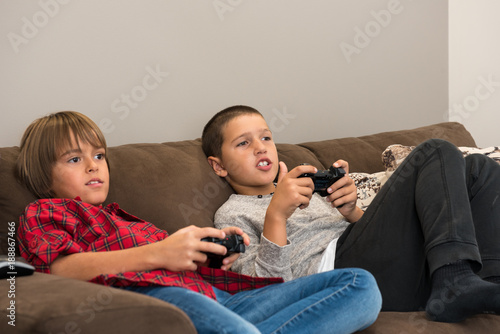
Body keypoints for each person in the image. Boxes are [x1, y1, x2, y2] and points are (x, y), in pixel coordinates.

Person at [16, 111, 382, 334]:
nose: (94, 165)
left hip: (225, 295)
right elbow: (61, 270)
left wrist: (212, 252)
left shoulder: (124, 218)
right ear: (43, 176)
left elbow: (176, 258)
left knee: (361, 285)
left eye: (98, 155)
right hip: (162, 297)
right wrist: (159, 252)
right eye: (74, 159)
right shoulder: (45, 212)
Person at [202, 105, 500, 323]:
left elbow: (365, 239)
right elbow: (266, 292)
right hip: (340, 276)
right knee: (434, 150)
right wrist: (276, 215)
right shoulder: (233, 213)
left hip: (387, 266)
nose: (259, 148)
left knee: (479, 168)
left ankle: (486, 283)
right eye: (243, 143)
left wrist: (351, 212)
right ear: (219, 166)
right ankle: (455, 278)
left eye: (265, 138)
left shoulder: (307, 189)